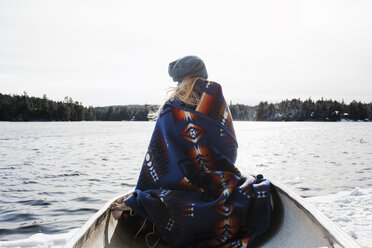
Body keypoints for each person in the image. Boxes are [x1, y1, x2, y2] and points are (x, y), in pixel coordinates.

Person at [122, 56, 272, 248]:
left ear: (180, 80)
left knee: (139, 205)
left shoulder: (170, 110)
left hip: (179, 192)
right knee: (252, 190)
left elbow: (158, 156)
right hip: (220, 186)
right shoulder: (216, 102)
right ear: (203, 76)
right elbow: (230, 149)